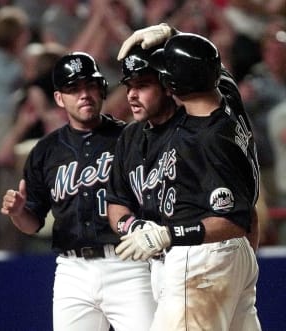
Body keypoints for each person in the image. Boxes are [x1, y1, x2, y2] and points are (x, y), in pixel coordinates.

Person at [107, 25, 261, 331]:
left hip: (201, 252)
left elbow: (233, 218)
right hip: (234, 255)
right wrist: (171, 32)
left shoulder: (199, 138)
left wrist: (168, 235)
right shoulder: (227, 97)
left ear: (172, 87)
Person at [1, 52, 155, 330]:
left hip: (128, 263)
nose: (84, 94)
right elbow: (31, 223)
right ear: (60, 98)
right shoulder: (45, 151)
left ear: (102, 89)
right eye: (73, 89)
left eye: (90, 86)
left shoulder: (131, 138)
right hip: (73, 270)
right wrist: (18, 212)